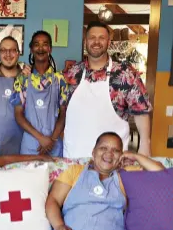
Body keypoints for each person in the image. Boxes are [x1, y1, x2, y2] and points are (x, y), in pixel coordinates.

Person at [63, 21, 152, 159]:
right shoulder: (72, 73)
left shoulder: (125, 74)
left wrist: (144, 146)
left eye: (101, 38)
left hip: (112, 159)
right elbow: (60, 110)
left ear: (108, 42)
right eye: (92, 37)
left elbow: (141, 112)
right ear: (85, 41)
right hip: (74, 155)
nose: (96, 42)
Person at [10, 30, 68, 156]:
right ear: (31, 49)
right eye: (36, 44)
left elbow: (63, 114)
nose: (40, 48)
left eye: (45, 44)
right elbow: (18, 115)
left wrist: (51, 140)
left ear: (50, 49)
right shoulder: (22, 79)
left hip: (54, 144)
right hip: (30, 145)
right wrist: (41, 138)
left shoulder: (60, 79)